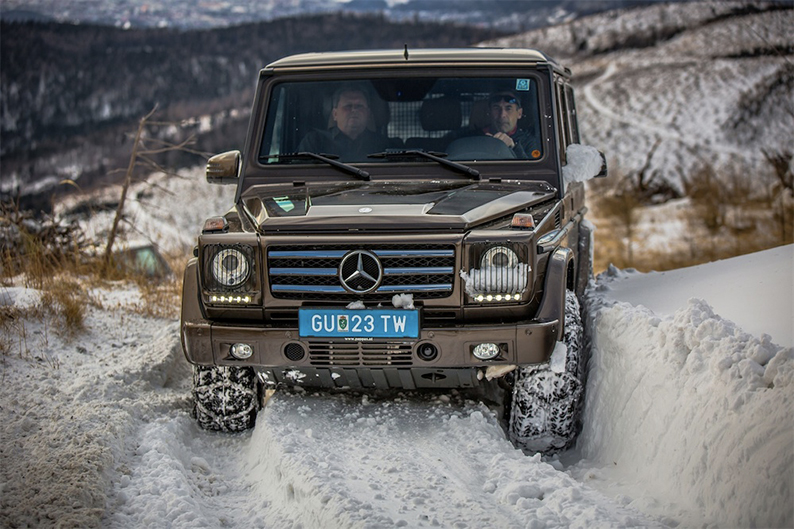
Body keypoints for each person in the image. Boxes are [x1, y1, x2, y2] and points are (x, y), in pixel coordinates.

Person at [298, 85, 398, 162]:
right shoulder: (314, 143)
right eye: (348, 106)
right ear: (335, 114)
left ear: (368, 114)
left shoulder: (384, 146)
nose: (354, 110)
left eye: (359, 106)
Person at [446, 91, 542, 159]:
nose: (502, 115)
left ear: (519, 113)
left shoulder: (530, 142)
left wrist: (514, 147)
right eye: (496, 108)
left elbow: (533, 173)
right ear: (489, 112)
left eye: (508, 108)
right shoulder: (467, 139)